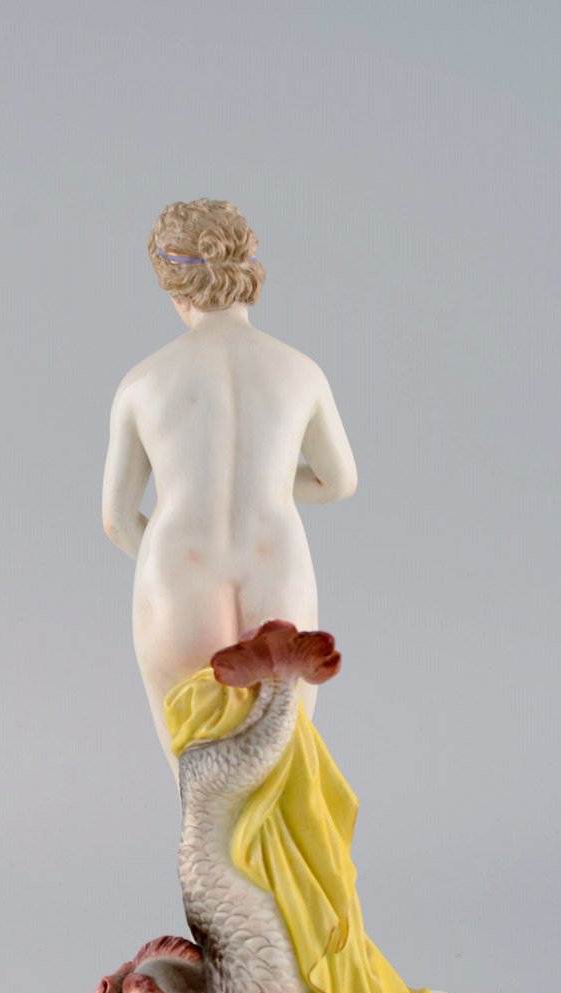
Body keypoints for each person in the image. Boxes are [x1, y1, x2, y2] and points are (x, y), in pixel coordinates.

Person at [102, 198, 358, 780]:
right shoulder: (301, 370)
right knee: (282, 776)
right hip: (276, 570)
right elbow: (338, 480)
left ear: (174, 287)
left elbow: (117, 520)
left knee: (198, 788)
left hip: (179, 577)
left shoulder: (143, 383)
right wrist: (267, 480)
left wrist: (168, 562)